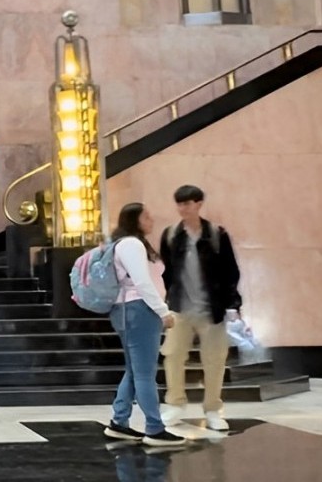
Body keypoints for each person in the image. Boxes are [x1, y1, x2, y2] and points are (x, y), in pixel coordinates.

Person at [158, 185, 242, 432]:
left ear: (199, 204)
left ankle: (213, 409)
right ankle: (175, 403)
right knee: (172, 355)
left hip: (211, 309)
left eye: (187, 203)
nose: (182, 208)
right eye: (179, 204)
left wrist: (232, 304)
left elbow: (230, 271)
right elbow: (168, 271)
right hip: (180, 308)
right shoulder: (171, 235)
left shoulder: (216, 234)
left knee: (214, 360)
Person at [103, 202, 186, 447]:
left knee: (134, 369)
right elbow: (142, 282)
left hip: (130, 311)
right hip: (139, 311)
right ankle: (154, 428)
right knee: (145, 373)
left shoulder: (127, 244)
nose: (152, 220)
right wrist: (162, 311)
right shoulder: (131, 244)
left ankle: (119, 422)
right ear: (135, 220)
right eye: (146, 216)